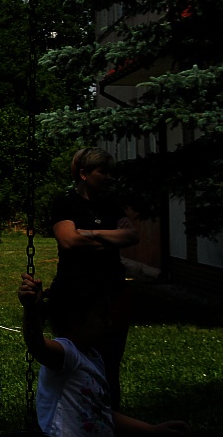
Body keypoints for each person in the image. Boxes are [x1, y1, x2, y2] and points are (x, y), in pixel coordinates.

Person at [18, 273, 189, 437]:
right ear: (74, 321)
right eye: (103, 315)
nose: (110, 322)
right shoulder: (67, 354)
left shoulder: (92, 356)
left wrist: (151, 430)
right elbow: (37, 345)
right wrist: (31, 309)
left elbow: (102, 412)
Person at [50, 147, 139, 410]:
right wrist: (110, 237)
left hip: (111, 290)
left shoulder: (111, 204)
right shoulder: (66, 203)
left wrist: (88, 234)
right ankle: (75, 413)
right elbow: (67, 240)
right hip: (77, 292)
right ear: (84, 173)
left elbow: (132, 236)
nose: (109, 177)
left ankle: (110, 415)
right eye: (103, 171)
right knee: (76, 359)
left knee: (110, 361)